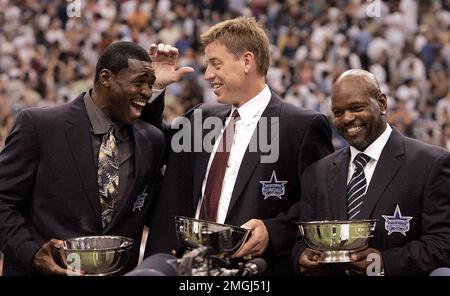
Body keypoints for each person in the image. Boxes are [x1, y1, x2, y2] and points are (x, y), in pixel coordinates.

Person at [144, 17, 334, 275]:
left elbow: (322, 205)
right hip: (185, 266)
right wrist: (154, 88)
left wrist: (274, 230)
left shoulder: (301, 126)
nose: (208, 74)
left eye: (216, 64)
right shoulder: (200, 118)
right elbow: (150, 145)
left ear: (247, 61)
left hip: (251, 272)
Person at [0, 41, 190, 275]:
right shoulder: (39, 126)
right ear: (106, 77)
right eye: (139, 82)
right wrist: (31, 253)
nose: (147, 92)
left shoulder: (151, 141)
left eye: (150, 85)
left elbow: (159, 212)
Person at [292, 69, 450, 276]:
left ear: (381, 104)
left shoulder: (430, 164)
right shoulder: (317, 173)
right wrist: (303, 257)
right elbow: (299, 242)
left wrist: (382, 263)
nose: (347, 118)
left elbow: (443, 242)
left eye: (356, 108)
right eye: (337, 112)